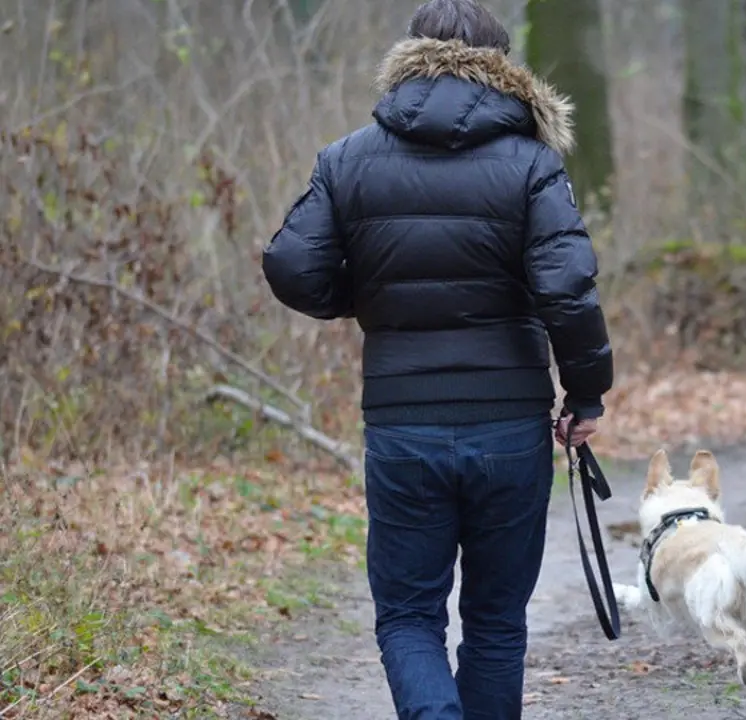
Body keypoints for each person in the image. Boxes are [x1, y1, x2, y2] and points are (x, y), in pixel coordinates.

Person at [260, 1, 613, 717]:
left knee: (409, 615)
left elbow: (293, 265)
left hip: (402, 421)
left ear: (408, 55)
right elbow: (567, 289)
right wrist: (586, 394)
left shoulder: (349, 157)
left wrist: (364, 301)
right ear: (503, 66)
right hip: (509, 424)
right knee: (495, 620)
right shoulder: (533, 163)